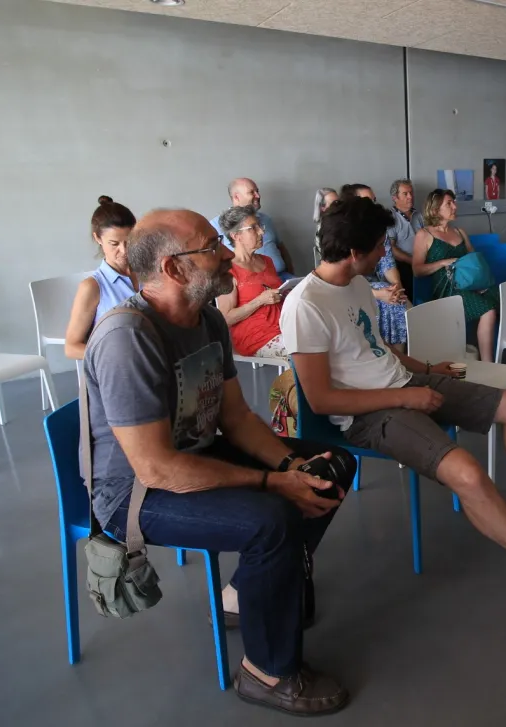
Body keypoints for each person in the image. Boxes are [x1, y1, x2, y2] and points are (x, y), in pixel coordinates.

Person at [281, 196, 506, 625]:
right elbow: (322, 400)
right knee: (467, 472)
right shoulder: (305, 305)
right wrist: (404, 397)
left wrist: (426, 371)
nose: (386, 254)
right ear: (354, 253)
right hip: (368, 415)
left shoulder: (356, 285)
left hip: (403, 383)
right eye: (379, 247)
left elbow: (378, 351)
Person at [84, 208, 354, 714]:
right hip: (134, 495)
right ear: (173, 268)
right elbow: (155, 470)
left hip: (195, 452)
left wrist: (290, 466)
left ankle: (248, 594)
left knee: (330, 464)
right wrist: (272, 484)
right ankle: (268, 674)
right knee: (271, 521)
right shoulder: (128, 339)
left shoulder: (205, 317)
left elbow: (238, 416)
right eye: (213, 246)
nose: (230, 253)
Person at [412, 188, 506, 369]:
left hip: (470, 284)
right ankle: (488, 365)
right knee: (488, 311)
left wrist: (479, 282)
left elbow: (474, 262)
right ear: (436, 209)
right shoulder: (424, 235)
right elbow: (417, 270)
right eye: (449, 203)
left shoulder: (460, 232)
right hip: (448, 290)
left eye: (454, 202)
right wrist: (443, 263)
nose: (454, 206)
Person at [64, 196, 138, 359]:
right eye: (114, 243)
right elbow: (71, 348)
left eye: (129, 241)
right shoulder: (92, 287)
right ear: (98, 238)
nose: (124, 251)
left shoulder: (149, 274)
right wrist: (115, 357)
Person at [216, 206, 288, 359]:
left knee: (324, 339)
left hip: (284, 327)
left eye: (260, 227)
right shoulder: (228, 270)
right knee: (306, 350)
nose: (262, 232)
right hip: (256, 337)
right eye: (253, 228)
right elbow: (225, 318)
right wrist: (260, 301)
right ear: (236, 236)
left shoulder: (267, 261)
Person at [345, 184, 409, 352]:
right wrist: (380, 294)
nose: (373, 206)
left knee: (397, 298)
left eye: (374, 200)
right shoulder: (345, 233)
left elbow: (388, 263)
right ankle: (383, 354)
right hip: (354, 288)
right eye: (368, 201)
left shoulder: (380, 231)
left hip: (378, 285)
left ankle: (398, 360)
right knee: (388, 297)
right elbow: (344, 281)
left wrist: (397, 287)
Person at [210, 178, 295, 281]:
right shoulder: (217, 225)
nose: (258, 196)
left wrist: (291, 275)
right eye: (252, 192)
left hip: (283, 277)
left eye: (257, 191)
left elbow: (281, 248)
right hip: (250, 283)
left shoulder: (266, 219)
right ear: (236, 197)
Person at [387, 178, 423, 294]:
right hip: (404, 266)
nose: (410, 197)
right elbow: (392, 249)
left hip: (423, 262)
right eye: (405, 194)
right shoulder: (391, 218)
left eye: (411, 193)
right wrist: (413, 261)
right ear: (395, 198)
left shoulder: (419, 215)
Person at [312, 187, 338, 260]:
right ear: (322, 208)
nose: (339, 206)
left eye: (339, 202)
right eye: (334, 203)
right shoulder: (324, 229)